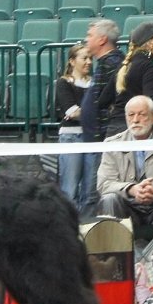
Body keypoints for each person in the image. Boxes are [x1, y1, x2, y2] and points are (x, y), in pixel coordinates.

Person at [96, 95, 153, 229]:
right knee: (109, 199)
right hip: (127, 204)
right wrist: (131, 189)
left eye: (142, 114)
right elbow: (104, 184)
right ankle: (114, 249)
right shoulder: (112, 144)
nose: (135, 120)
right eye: (131, 115)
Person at [55, 43, 96, 219]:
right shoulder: (63, 82)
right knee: (69, 189)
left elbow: (82, 112)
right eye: (84, 58)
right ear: (72, 61)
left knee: (90, 192)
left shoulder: (95, 83)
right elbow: (71, 112)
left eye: (90, 58)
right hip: (71, 137)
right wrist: (96, 112)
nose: (88, 62)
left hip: (93, 139)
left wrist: (85, 112)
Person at [80, 18, 124, 142]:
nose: (86, 39)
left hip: (105, 139)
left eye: (89, 35)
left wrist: (103, 135)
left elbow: (112, 103)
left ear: (102, 39)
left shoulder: (112, 63)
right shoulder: (106, 63)